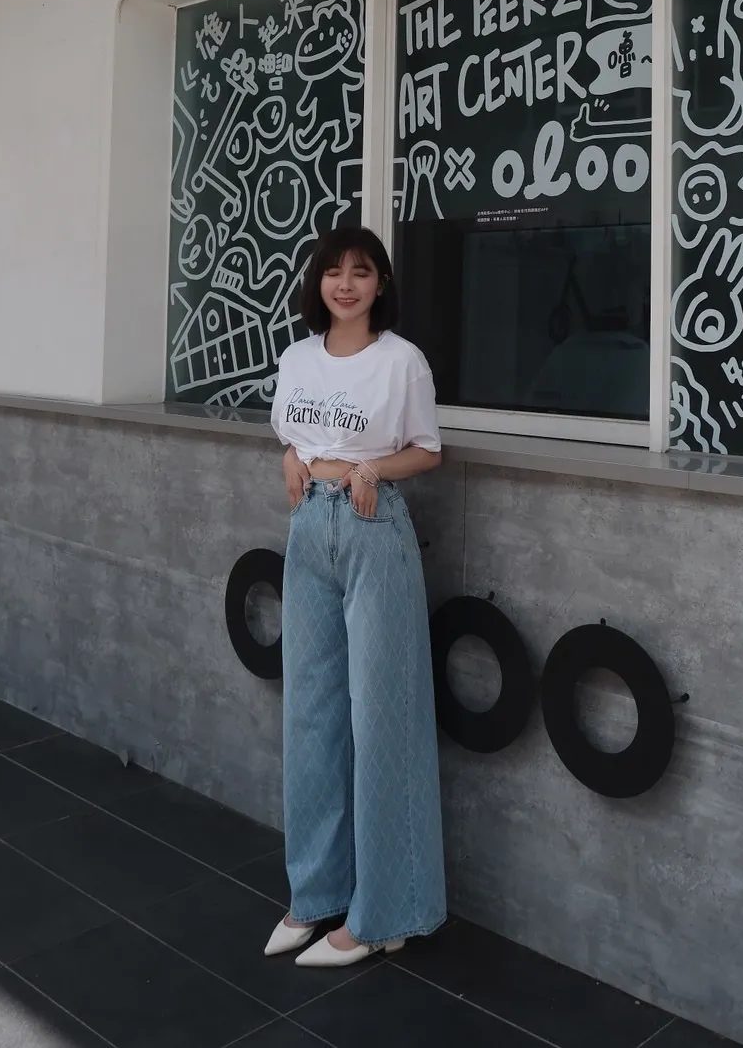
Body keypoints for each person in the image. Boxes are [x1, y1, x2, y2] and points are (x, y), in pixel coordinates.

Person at [263, 225, 447, 968]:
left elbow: (428, 449)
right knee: (310, 717)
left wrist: (373, 468)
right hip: (308, 530)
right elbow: (295, 433)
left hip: (372, 528)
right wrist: (290, 453)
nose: (345, 284)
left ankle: (384, 914)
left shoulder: (401, 360)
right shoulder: (297, 357)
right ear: (318, 282)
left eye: (361, 271)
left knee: (381, 719)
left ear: (380, 284)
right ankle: (315, 893)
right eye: (333, 271)